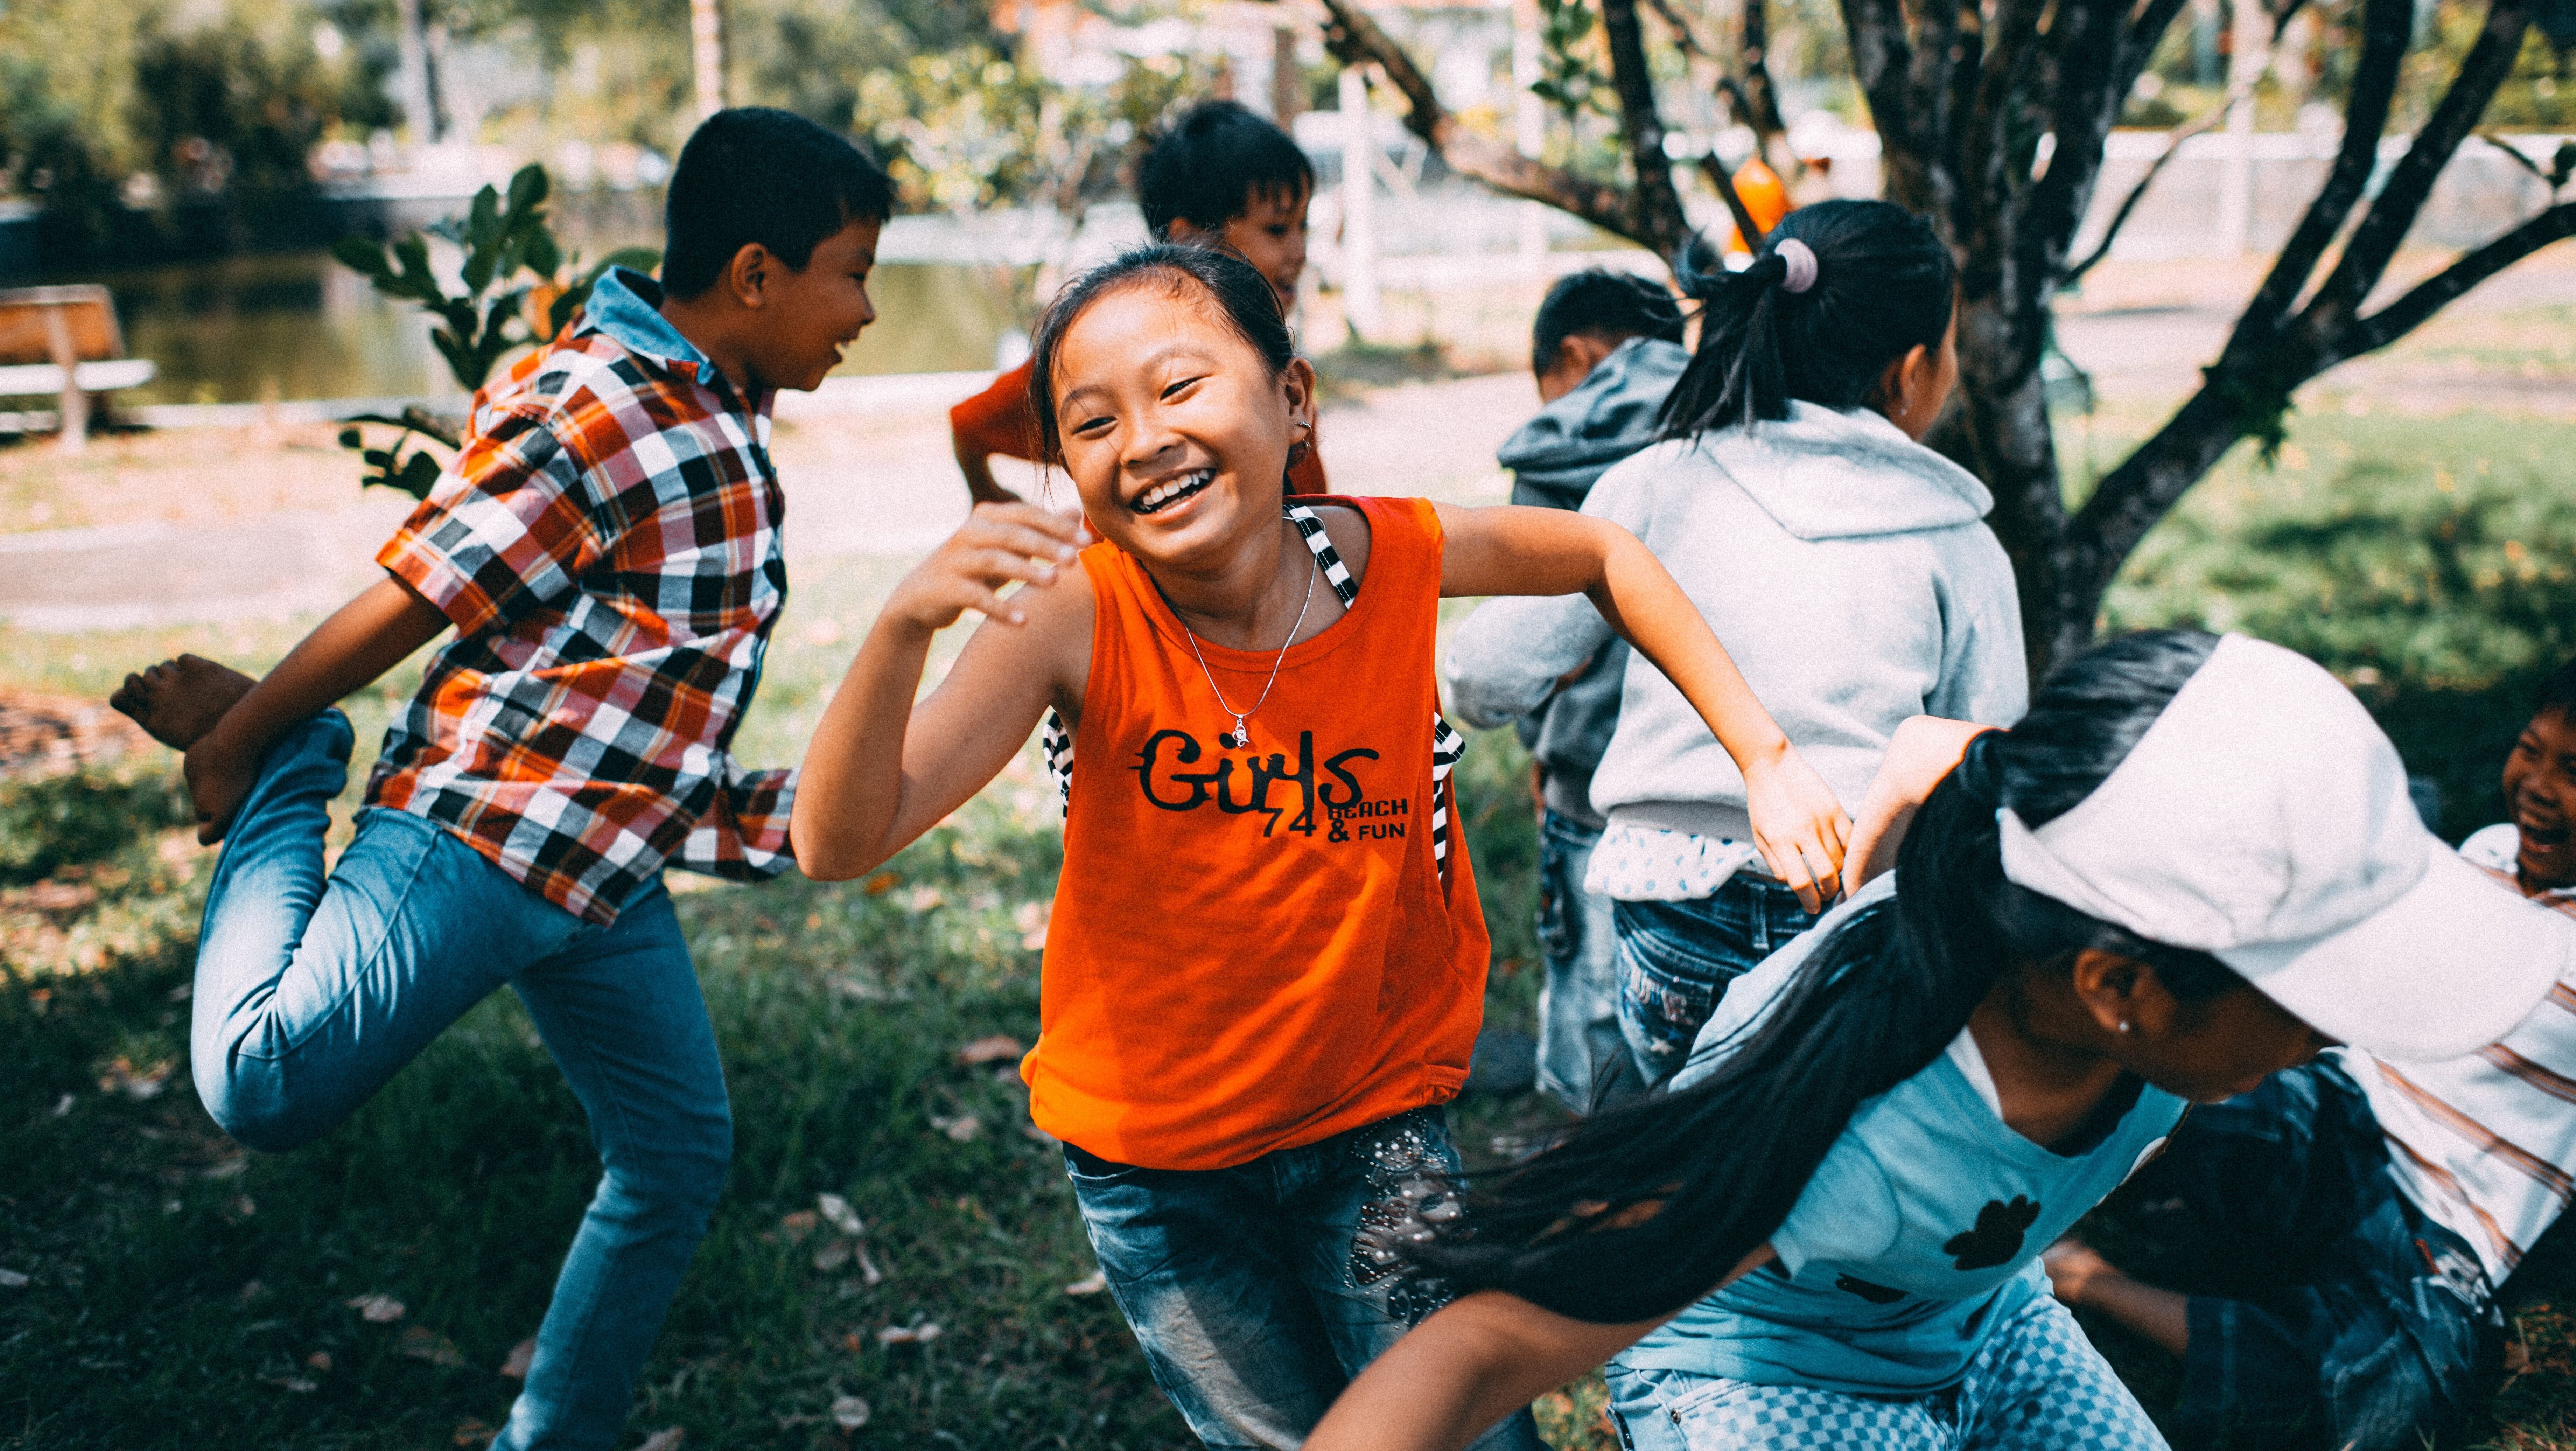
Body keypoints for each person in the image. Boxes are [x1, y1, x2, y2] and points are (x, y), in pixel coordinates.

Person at [789, 242, 1848, 1450]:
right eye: (1091, 422)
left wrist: (1763, 753)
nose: (1143, 440)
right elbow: (841, 840)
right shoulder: (1076, 615)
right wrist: (901, 628)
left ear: (1293, 402)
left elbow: (1604, 555)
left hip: (1373, 1120)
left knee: (1464, 1426)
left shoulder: (1388, 558)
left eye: (1181, 388)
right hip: (1158, 1166)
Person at [104, 108, 889, 1451]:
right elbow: (426, 587)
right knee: (260, 1081)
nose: (867, 309)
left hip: (599, 875)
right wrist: (248, 740)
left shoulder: (716, 405)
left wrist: (804, 818)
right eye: (856, 271)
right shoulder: (605, 402)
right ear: (757, 274)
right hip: (479, 833)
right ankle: (299, 759)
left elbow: (639, 704)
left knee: (676, 1154)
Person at [1302, 628, 2576, 1451]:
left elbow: (1939, 749)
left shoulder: (2040, 836)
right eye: (2309, 989)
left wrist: (1881, 873)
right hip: (1771, 1373)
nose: (2329, 1037)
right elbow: (1484, 1343)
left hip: (1976, 1311)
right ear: (2121, 986)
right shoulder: (1835, 1125)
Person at [1441, 199, 2028, 1092]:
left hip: (1668, 914)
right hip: (1850, 916)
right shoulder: (1957, 539)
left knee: (1680, 1149)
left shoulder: (1652, 487)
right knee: (1800, 1159)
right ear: (1912, 371)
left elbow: (1479, 676)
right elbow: (1985, 756)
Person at [2037, 655, 2576, 1450]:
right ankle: (2051, 1191)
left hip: (2445, 1216)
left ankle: (2085, 1279)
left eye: (2572, 769)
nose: (2534, 781)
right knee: (2173, 1063)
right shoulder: (2486, 852)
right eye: (2529, 749)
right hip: (2330, 1112)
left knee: (2399, 1385)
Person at [1445, 269, 1688, 1112]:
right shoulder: (1726, 425)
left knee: (1591, 1017)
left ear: (1574, 356)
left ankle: (1581, 1180)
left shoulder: (1565, 448)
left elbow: (1521, 656)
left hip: (1589, 782)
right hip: (1717, 796)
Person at [950, 98, 1323, 506]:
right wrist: (988, 495)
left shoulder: (1272, 359)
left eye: (1302, 226)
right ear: (1193, 241)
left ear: (1292, 394)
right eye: (1276, 229)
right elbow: (971, 422)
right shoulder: (1110, 349)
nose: (1299, 251)